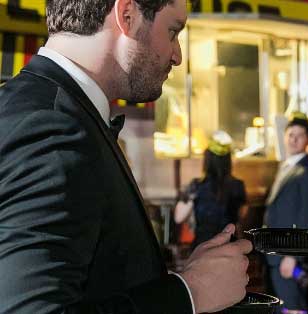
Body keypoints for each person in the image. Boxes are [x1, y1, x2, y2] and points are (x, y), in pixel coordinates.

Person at [0, 1, 252, 313]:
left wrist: (189, 278)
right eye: (173, 31)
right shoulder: (52, 128)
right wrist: (190, 292)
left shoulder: (43, 108)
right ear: (127, 15)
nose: (177, 55)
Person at [264, 111, 308, 313]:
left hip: (288, 253)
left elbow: (307, 216)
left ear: (307, 140)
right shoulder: (285, 166)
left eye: (299, 135)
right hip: (274, 251)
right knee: (281, 305)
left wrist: (293, 256)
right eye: (290, 134)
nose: (294, 139)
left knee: (293, 306)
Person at [175, 130, 247, 248]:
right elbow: (242, 217)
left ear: (207, 159)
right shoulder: (238, 186)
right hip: (229, 247)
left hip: (203, 248)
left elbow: (178, 217)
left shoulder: (196, 186)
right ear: (228, 160)